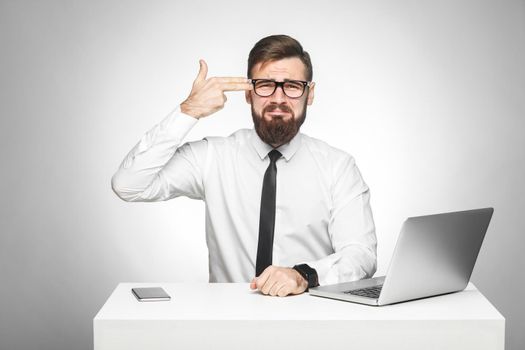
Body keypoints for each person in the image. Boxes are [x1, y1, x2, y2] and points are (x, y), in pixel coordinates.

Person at [112, 34, 377, 297]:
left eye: (293, 86)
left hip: (310, 324)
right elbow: (129, 185)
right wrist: (188, 110)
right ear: (248, 94)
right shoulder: (213, 157)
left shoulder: (337, 167)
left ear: (310, 94)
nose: (278, 98)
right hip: (227, 326)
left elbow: (361, 255)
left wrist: (304, 275)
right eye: (265, 85)